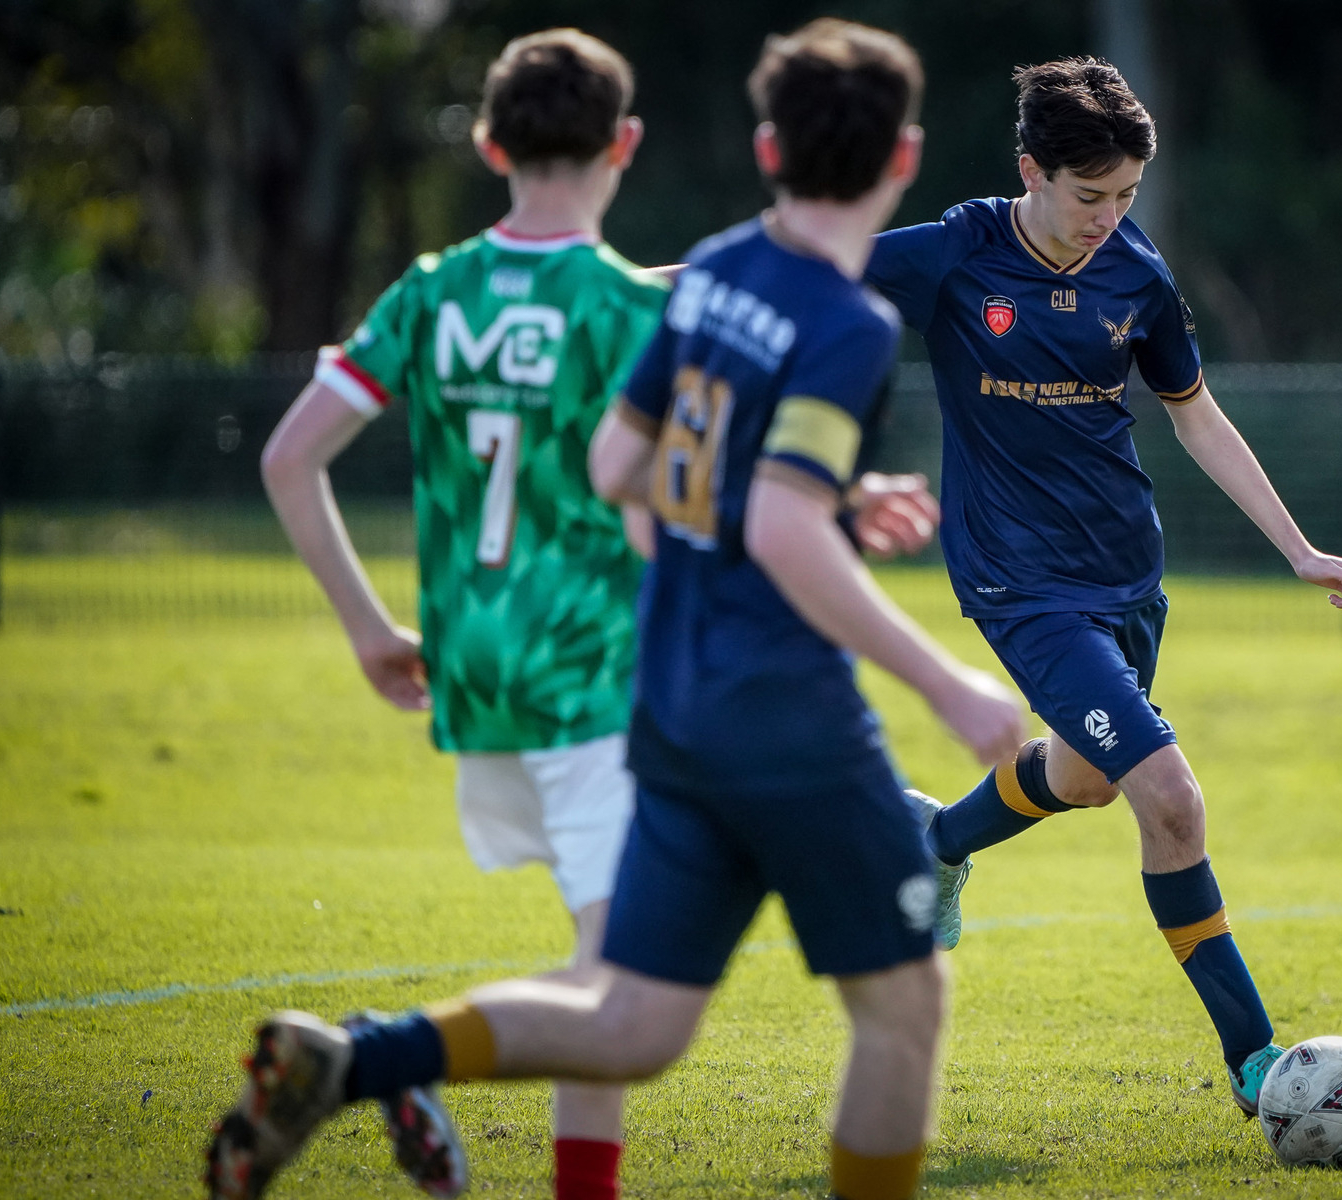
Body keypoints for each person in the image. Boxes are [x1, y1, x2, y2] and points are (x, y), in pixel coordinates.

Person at [205, 19, 1025, 1200]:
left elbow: (616, 472)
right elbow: (777, 528)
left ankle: (360, 1058)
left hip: (672, 710)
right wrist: (948, 683)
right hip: (785, 721)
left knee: (637, 1020)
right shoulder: (850, 323)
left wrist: (795, 512)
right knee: (903, 1005)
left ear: (765, 149)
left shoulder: (718, 270)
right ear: (902, 160)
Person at [862, 57, 1342, 1118]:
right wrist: (629, 290)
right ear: (1031, 172)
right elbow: (790, 270)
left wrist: (1298, 548)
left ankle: (938, 842)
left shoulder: (1134, 272)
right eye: (1089, 196)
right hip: (1019, 584)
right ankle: (1259, 1063)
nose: (1108, 218)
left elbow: (1194, 411)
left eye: (1126, 197)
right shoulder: (957, 255)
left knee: (1092, 778)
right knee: (1171, 800)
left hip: (1124, 575)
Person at [249, 28, 670, 1200]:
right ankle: (378, 1060)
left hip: (473, 679)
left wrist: (370, 629)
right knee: (614, 982)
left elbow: (290, 459)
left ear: (489, 145)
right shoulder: (622, 309)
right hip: (592, 673)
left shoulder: (430, 293)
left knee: (608, 969)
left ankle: (396, 1063)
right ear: (624, 144)